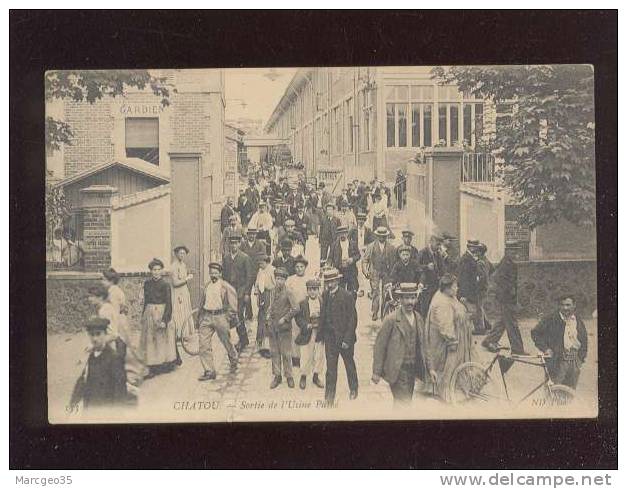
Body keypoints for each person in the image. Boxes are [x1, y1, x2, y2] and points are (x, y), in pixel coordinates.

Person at [372, 283, 426, 405]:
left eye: (412, 298)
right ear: (400, 299)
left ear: (416, 299)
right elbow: (380, 346)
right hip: (397, 368)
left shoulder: (418, 319)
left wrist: (431, 368)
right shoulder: (391, 320)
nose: (409, 302)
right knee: (404, 403)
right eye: (406, 298)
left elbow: (424, 345)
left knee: (404, 402)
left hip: (412, 369)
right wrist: (376, 372)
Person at [423, 274, 474, 402]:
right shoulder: (442, 302)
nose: (457, 288)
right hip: (445, 341)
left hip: (455, 335)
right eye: (455, 286)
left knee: (453, 364)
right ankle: (448, 391)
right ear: (447, 288)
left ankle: (454, 387)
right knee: (448, 365)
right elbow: (445, 326)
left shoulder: (448, 296)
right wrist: (452, 340)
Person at [100, 271, 147, 399]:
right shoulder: (114, 290)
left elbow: (114, 312)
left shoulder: (113, 292)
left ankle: (128, 378)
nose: (101, 282)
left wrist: (110, 327)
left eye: (103, 279)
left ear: (110, 280)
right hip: (121, 321)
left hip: (118, 323)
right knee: (123, 349)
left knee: (120, 349)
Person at [531, 294, 588, 389]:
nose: (565, 308)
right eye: (562, 305)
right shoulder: (551, 319)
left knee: (570, 391)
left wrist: (581, 358)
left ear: (574, 305)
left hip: (575, 360)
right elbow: (535, 333)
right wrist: (546, 349)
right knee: (554, 390)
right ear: (559, 306)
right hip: (557, 360)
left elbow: (584, 340)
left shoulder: (577, 319)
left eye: (568, 305)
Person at [69, 317, 127, 411]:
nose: (95, 338)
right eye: (92, 335)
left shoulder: (114, 358)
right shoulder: (91, 357)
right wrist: (72, 405)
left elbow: (120, 392)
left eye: (98, 334)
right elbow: (82, 383)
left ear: (105, 335)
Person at [319, 268, 359, 403]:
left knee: (349, 364)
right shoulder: (325, 295)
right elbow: (323, 316)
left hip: (344, 339)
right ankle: (329, 396)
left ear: (337, 280)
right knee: (330, 369)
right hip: (330, 338)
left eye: (332, 281)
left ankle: (353, 388)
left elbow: (353, 319)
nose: (330, 284)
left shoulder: (347, 296)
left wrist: (347, 340)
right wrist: (321, 335)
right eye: (328, 282)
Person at [196, 263, 239, 381]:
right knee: (203, 345)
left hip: (221, 317)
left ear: (220, 273)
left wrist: (228, 317)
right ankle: (209, 371)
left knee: (226, 342)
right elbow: (202, 303)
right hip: (207, 316)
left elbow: (233, 304)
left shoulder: (225, 286)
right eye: (211, 273)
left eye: (215, 273)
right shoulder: (207, 286)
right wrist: (199, 318)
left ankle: (234, 359)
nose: (213, 275)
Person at [482, 243, 526, 356]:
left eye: (516, 250)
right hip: (506, 299)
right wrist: (507, 292)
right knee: (512, 324)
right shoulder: (506, 264)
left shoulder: (509, 262)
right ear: (507, 251)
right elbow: (497, 279)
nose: (515, 253)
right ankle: (517, 349)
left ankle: (489, 340)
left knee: (503, 321)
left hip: (507, 298)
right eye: (513, 250)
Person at [139, 258, 178, 378]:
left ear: (162, 271)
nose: (156, 272)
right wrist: (143, 315)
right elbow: (146, 300)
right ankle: (152, 365)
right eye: (153, 270)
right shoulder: (147, 284)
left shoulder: (165, 285)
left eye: (158, 270)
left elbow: (169, 303)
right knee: (150, 340)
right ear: (151, 271)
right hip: (149, 313)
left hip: (161, 313)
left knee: (162, 340)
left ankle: (164, 363)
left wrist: (165, 320)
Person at [265, 268, 299, 389]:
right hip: (273, 326)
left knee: (286, 353)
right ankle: (277, 376)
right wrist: (268, 314)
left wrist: (285, 318)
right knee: (274, 352)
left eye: (281, 279)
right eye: (277, 278)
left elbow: (296, 308)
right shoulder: (272, 291)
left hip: (284, 327)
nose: (279, 281)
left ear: (285, 280)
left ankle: (289, 376)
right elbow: (270, 306)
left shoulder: (289, 292)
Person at [222, 235, 255, 352]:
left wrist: (247, 293)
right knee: (231, 315)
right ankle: (243, 338)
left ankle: (242, 339)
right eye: (231, 243)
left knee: (239, 315)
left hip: (240, 290)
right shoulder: (226, 258)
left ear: (239, 244)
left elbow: (249, 277)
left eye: (236, 243)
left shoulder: (244, 258)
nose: (233, 245)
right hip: (230, 290)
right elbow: (224, 277)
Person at [294, 279, 326, 390]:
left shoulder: (322, 302)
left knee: (319, 356)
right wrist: (305, 325)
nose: (313, 292)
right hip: (307, 333)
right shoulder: (303, 303)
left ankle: (316, 376)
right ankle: (303, 376)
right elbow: (298, 317)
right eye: (310, 290)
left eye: (315, 289)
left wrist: (322, 324)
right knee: (305, 356)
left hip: (319, 333)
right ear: (307, 291)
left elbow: (325, 316)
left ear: (318, 290)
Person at [362, 227, 397, 321]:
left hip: (386, 272)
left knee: (385, 292)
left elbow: (394, 263)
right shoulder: (371, 246)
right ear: (377, 236)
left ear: (386, 236)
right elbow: (365, 260)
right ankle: (375, 311)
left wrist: (392, 275)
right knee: (375, 292)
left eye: (384, 236)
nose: (382, 238)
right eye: (380, 236)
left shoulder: (391, 248)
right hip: (375, 272)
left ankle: (383, 313)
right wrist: (365, 271)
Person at [456, 239, 485, 335]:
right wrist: (463, 294)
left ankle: (477, 329)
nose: (477, 250)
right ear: (470, 247)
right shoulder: (465, 259)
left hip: (472, 291)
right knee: (470, 312)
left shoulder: (471, 258)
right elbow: (463, 278)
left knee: (473, 311)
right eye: (475, 248)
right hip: (467, 292)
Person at [286, 255, 309, 367]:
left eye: (301, 266)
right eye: (297, 267)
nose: (299, 269)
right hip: (294, 310)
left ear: (305, 267)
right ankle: (295, 358)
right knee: (294, 333)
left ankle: (305, 357)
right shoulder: (290, 280)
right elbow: (287, 295)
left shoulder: (309, 280)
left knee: (305, 332)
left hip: (305, 312)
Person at [240, 227, 267, 320]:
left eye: (253, 234)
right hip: (246, 272)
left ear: (256, 235)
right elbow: (240, 256)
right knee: (246, 292)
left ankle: (262, 312)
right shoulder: (243, 245)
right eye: (250, 234)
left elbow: (264, 257)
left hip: (257, 271)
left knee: (260, 291)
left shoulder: (260, 244)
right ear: (247, 235)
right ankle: (248, 313)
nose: (251, 236)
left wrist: (260, 268)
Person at [170, 245, 194, 347]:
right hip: (177, 292)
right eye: (180, 253)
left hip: (184, 291)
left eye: (184, 253)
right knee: (178, 312)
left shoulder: (183, 265)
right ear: (176, 254)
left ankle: (184, 335)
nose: (182, 255)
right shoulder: (174, 266)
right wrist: (187, 279)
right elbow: (175, 283)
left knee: (184, 311)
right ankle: (178, 336)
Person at [417, 235, 445, 319]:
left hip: (435, 287)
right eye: (437, 244)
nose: (439, 247)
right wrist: (426, 267)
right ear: (431, 242)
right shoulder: (423, 252)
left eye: (440, 245)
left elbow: (442, 269)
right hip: (425, 286)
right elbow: (416, 267)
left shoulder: (438, 254)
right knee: (424, 309)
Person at [328, 225, 360, 297]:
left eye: (344, 233)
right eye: (341, 233)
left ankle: (351, 307)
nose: (343, 235)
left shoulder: (353, 243)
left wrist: (352, 259)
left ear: (347, 233)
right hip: (339, 270)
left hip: (351, 270)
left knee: (352, 292)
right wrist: (329, 266)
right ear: (338, 234)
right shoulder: (334, 245)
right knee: (339, 292)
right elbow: (330, 258)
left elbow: (358, 255)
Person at [254, 255, 275, 358]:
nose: (260, 265)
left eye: (262, 263)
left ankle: (268, 346)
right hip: (262, 296)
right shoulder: (260, 271)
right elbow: (257, 283)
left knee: (268, 319)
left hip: (269, 295)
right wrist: (257, 291)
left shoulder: (272, 270)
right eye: (259, 263)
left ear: (267, 262)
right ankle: (260, 342)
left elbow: (275, 285)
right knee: (261, 318)